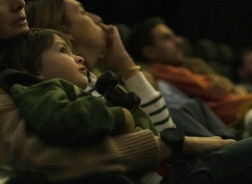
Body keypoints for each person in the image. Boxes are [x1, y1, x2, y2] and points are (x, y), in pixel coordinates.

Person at [2, 0, 252, 184]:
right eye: (84, 12)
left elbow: (156, 128)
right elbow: (48, 158)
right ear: (65, 30)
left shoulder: (89, 80)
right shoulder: (36, 86)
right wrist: (173, 144)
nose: (20, 2)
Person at [25, 0, 237, 139]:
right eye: (83, 12)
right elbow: (163, 129)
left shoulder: (95, 79)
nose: (97, 18)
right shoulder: (74, 89)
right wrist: (124, 61)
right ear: (66, 30)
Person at [0, 28, 154, 147]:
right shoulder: (38, 91)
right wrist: (119, 116)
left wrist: (132, 113)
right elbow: (59, 119)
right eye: (63, 50)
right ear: (30, 68)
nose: (79, 58)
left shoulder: (64, 92)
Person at [127, 16, 252, 137]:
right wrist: (217, 82)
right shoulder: (160, 73)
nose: (179, 41)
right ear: (150, 52)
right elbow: (212, 88)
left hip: (241, 106)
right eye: (167, 38)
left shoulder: (189, 66)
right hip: (234, 115)